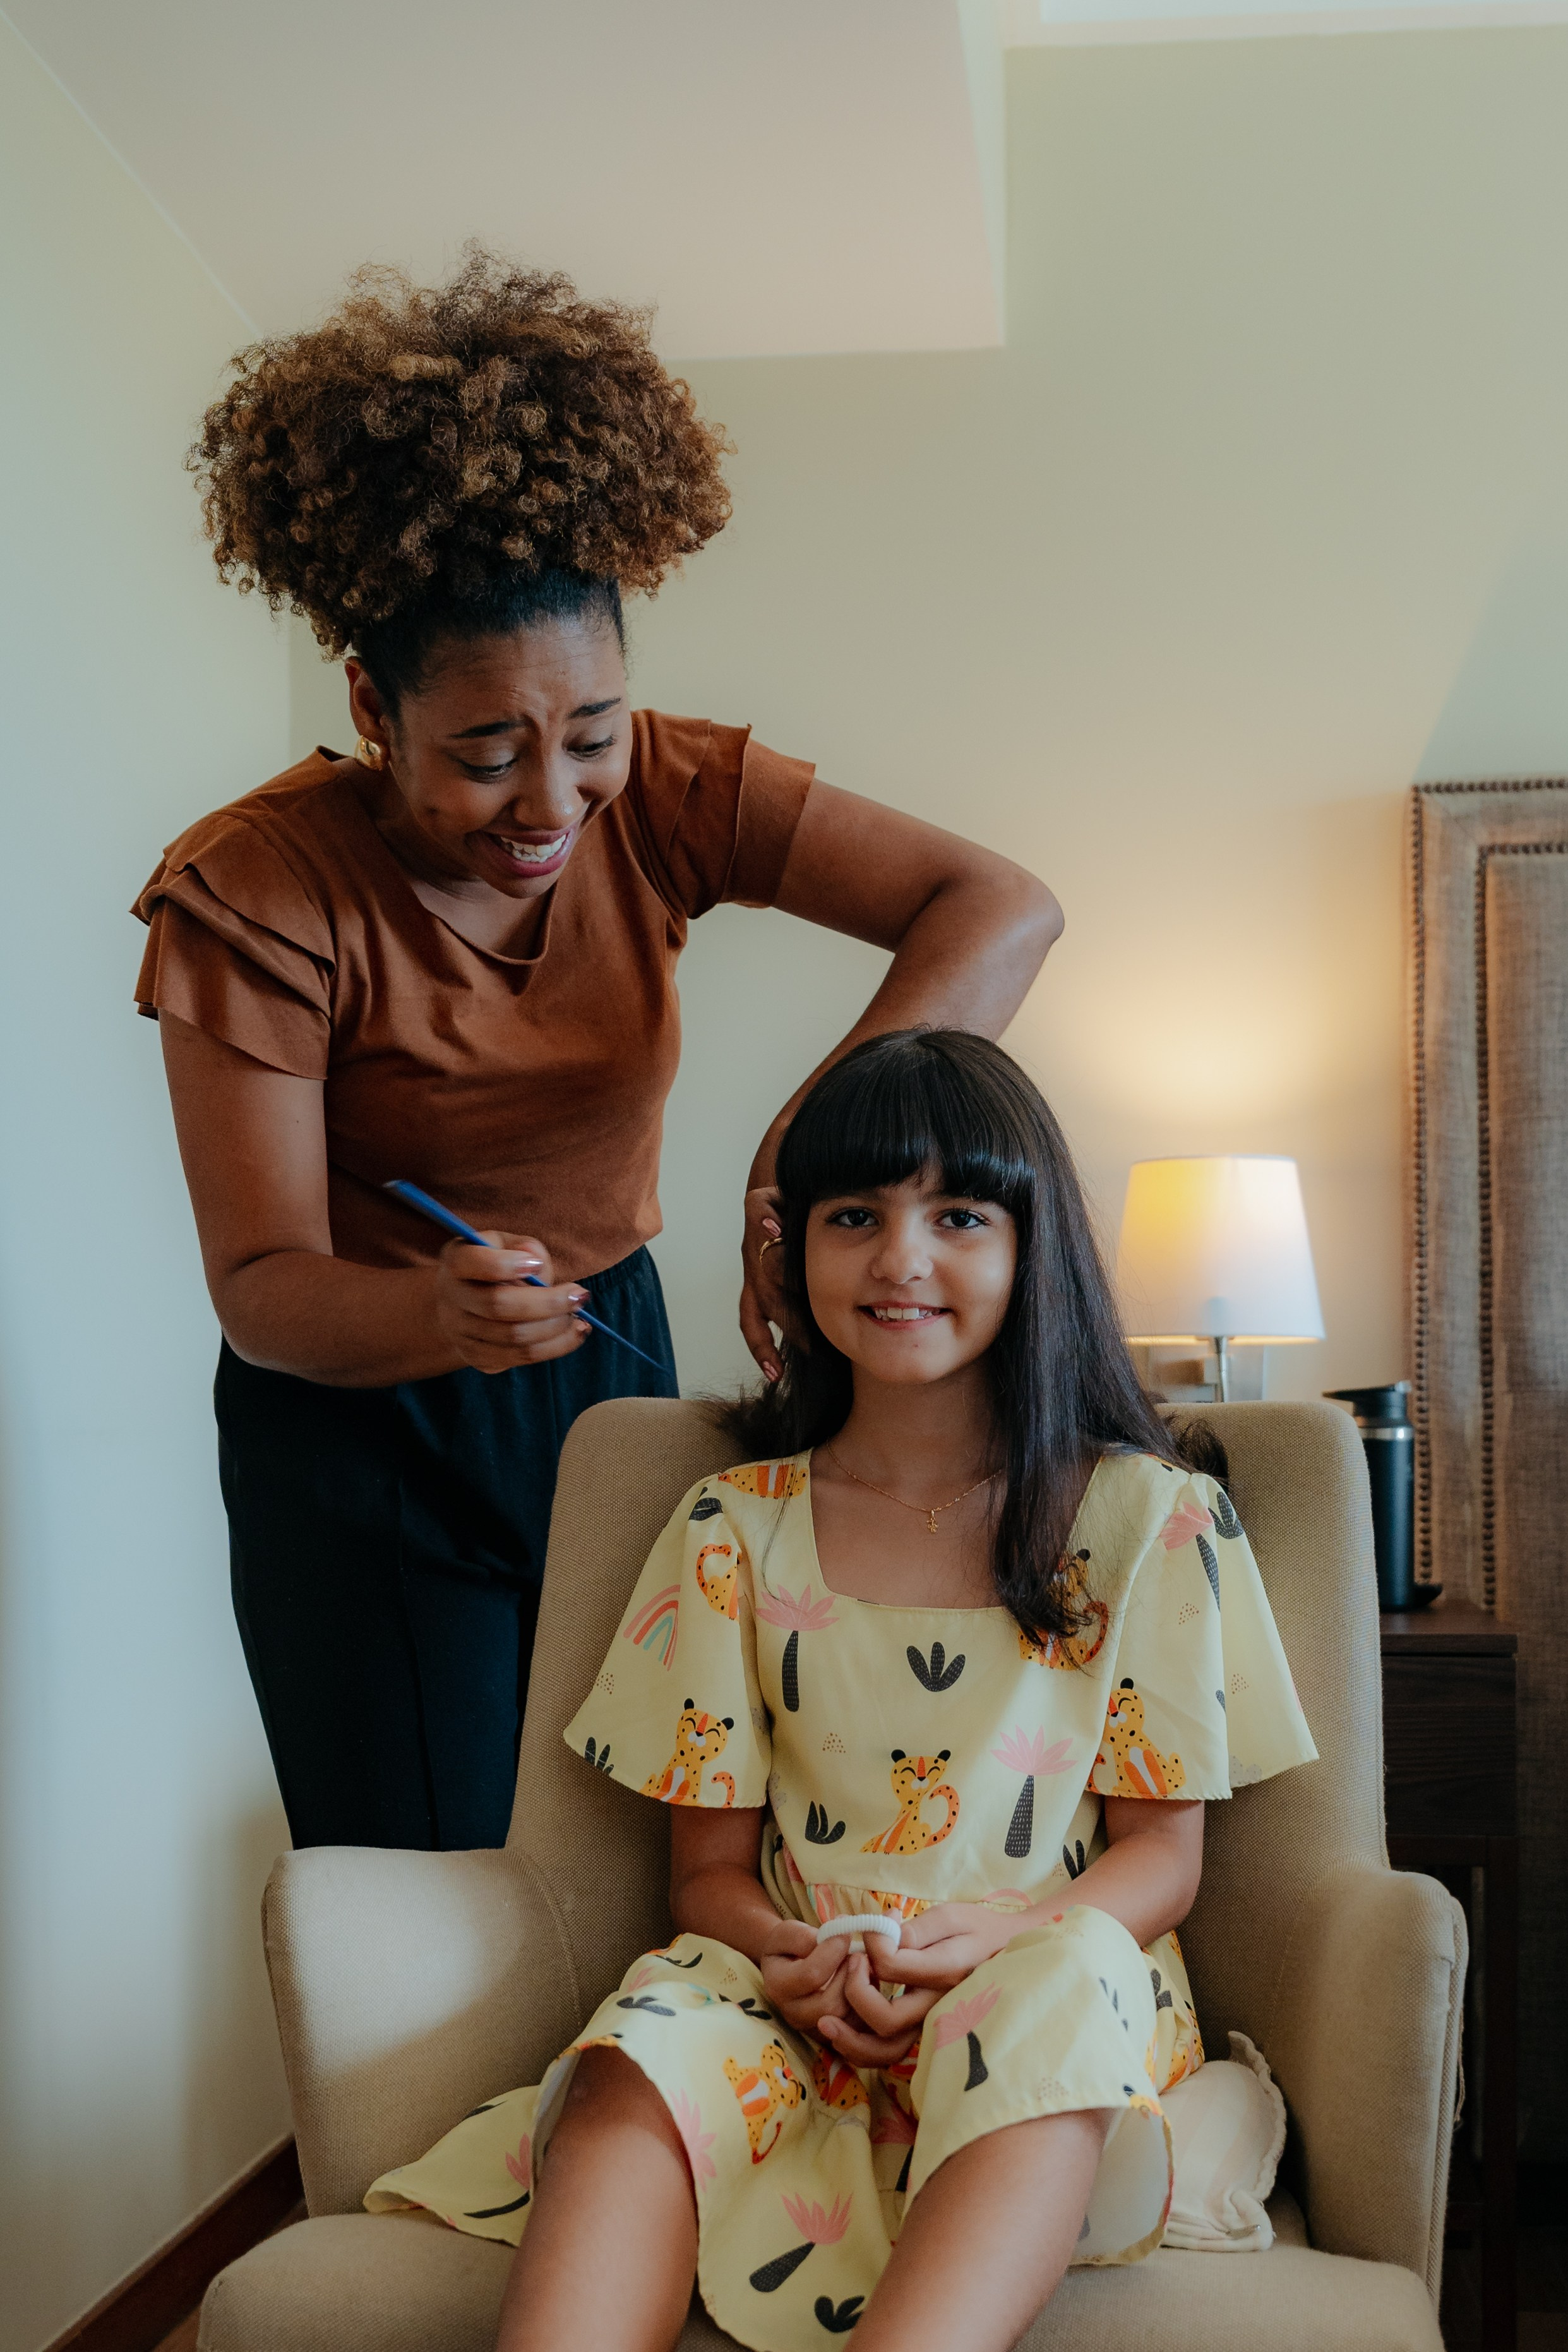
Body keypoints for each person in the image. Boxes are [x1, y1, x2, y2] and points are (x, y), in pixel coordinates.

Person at [133, 255, 1062, 1854]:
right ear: (371, 702)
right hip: (367, 1419)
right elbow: (262, 1283)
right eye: (487, 754)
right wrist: (433, 1308)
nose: (553, 804)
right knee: (436, 1891)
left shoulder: (673, 793)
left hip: (603, 1365)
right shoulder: (258, 889)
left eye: (592, 736)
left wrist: (806, 1144)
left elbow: (1001, 907)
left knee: (642, 1864)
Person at [364, 1029, 1317, 2352]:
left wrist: (995, 1941)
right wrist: (786, 1956)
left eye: (960, 1214)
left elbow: (1162, 1859)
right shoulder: (727, 1526)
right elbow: (707, 1878)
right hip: (792, 1990)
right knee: (640, 2044)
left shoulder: (1152, 1518)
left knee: (1062, 1978)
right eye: (855, 1214)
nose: (901, 1258)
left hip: (1042, 1987)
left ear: (1034, 1245)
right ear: (790, 1248)